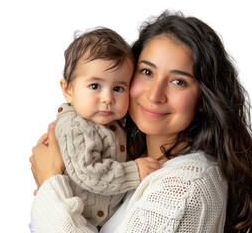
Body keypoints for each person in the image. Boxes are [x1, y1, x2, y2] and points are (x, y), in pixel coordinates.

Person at [30, 11, 252, 232]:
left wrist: (50, 183)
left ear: (202, 99)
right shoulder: (129, 161)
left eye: (178, 81)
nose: (155, 95)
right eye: (147, 72)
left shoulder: (185, 186)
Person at [30, 28, 160, 233]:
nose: (107, 98)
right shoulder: (76, 126)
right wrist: (134, 171)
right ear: (68, 90)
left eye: (118, 88)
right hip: (70, 217)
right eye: (94, 86)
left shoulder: (114, 123)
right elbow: (89, 173)